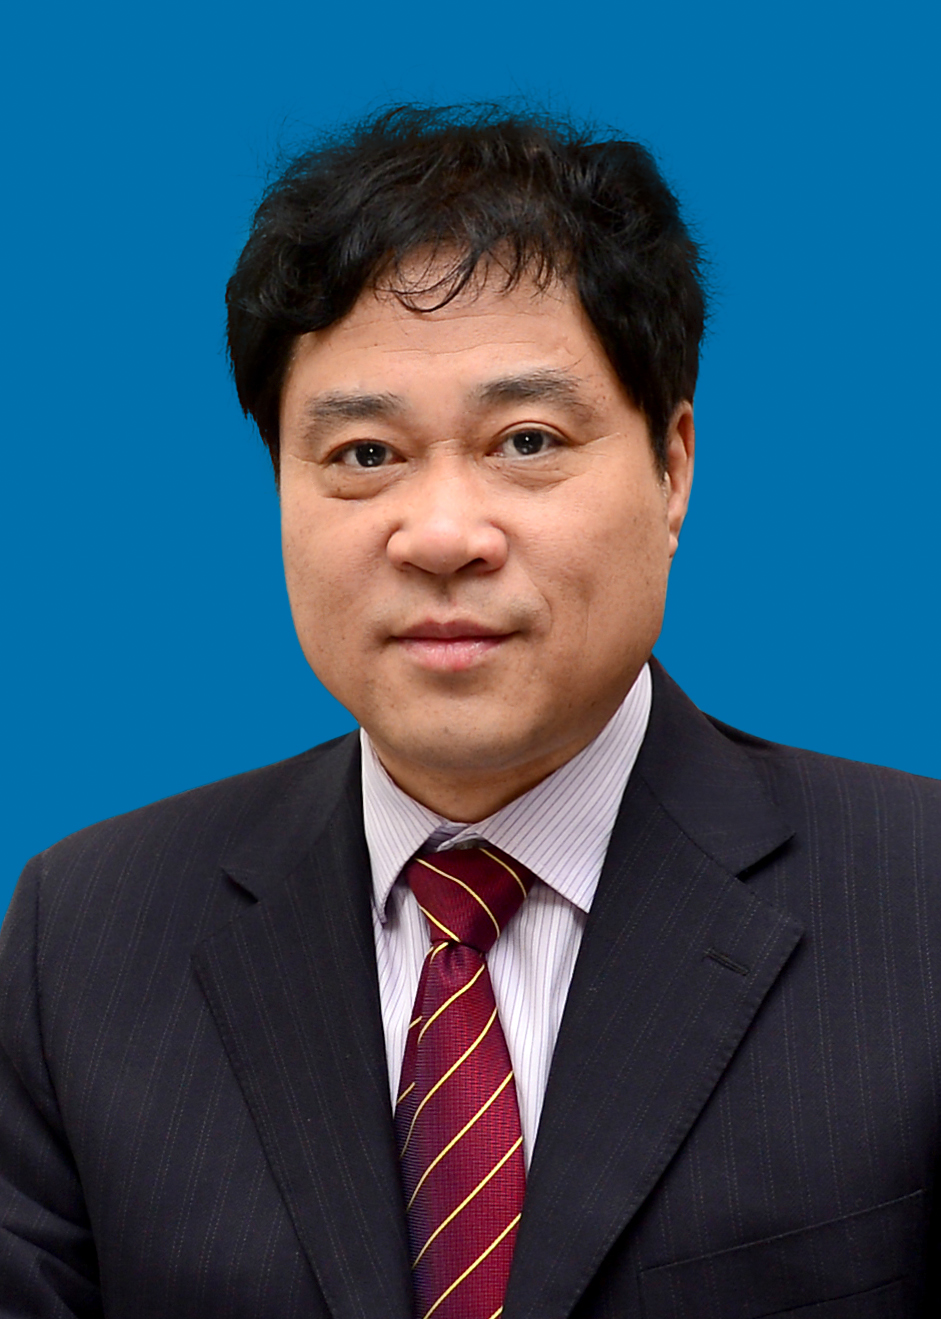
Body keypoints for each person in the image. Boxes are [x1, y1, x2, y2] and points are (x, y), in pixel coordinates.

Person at [0, 105, 938, 1319]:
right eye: (364, 454)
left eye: (525, 440)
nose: (441, 534)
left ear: (671, 466)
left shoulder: (914, 900)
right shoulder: (83, 939)